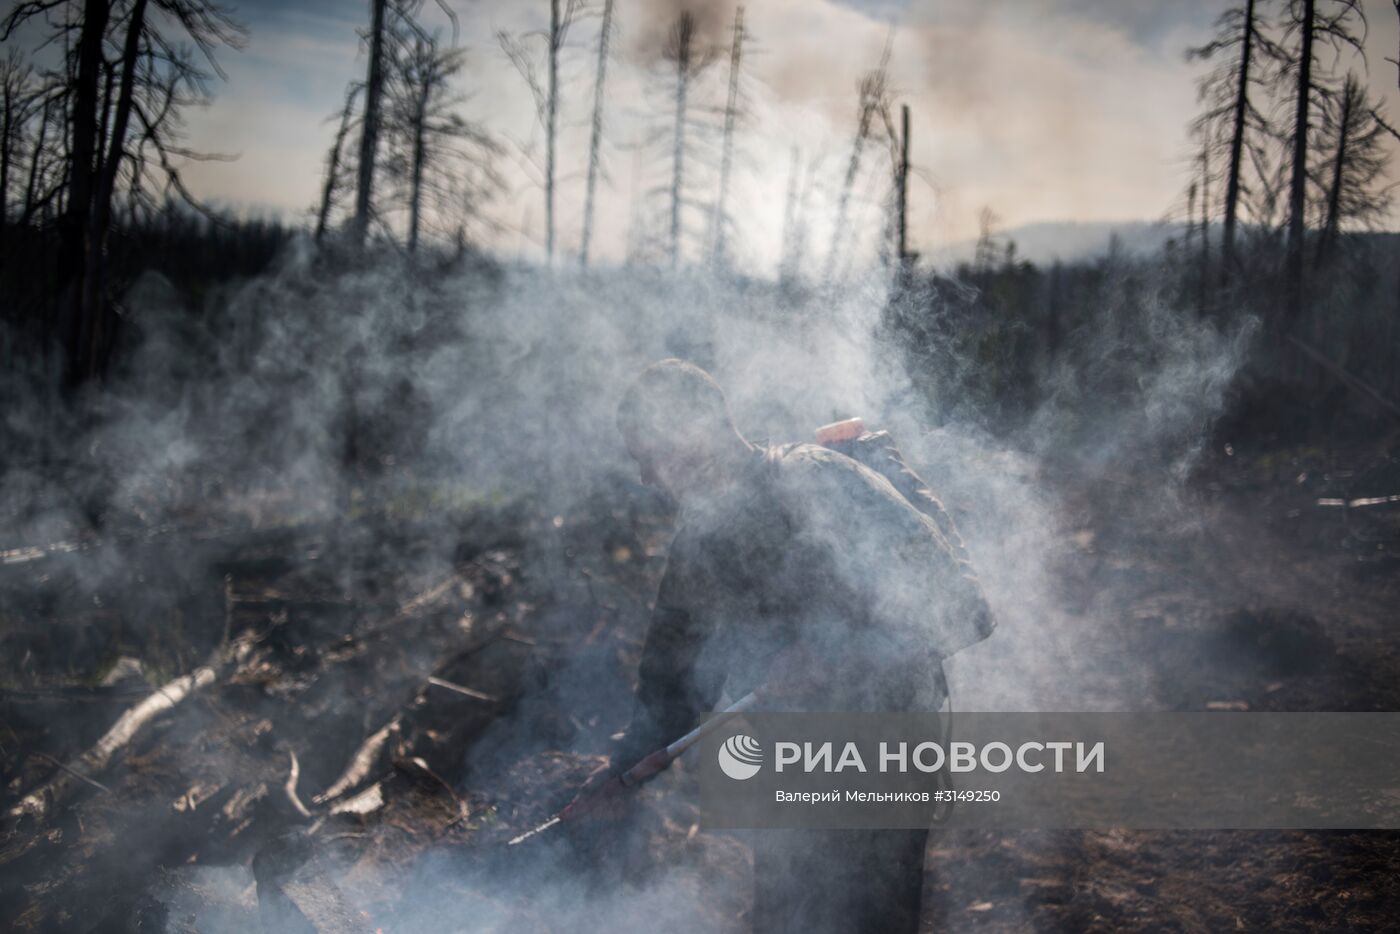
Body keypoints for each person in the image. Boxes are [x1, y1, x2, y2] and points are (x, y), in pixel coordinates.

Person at [580, 358, 994, 933]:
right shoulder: (699, 545)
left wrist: (836, 655)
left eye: (649, 455)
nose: (648, 478)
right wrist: (621, 776)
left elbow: (961, 609)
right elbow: (670, 681)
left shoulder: (819, 482)